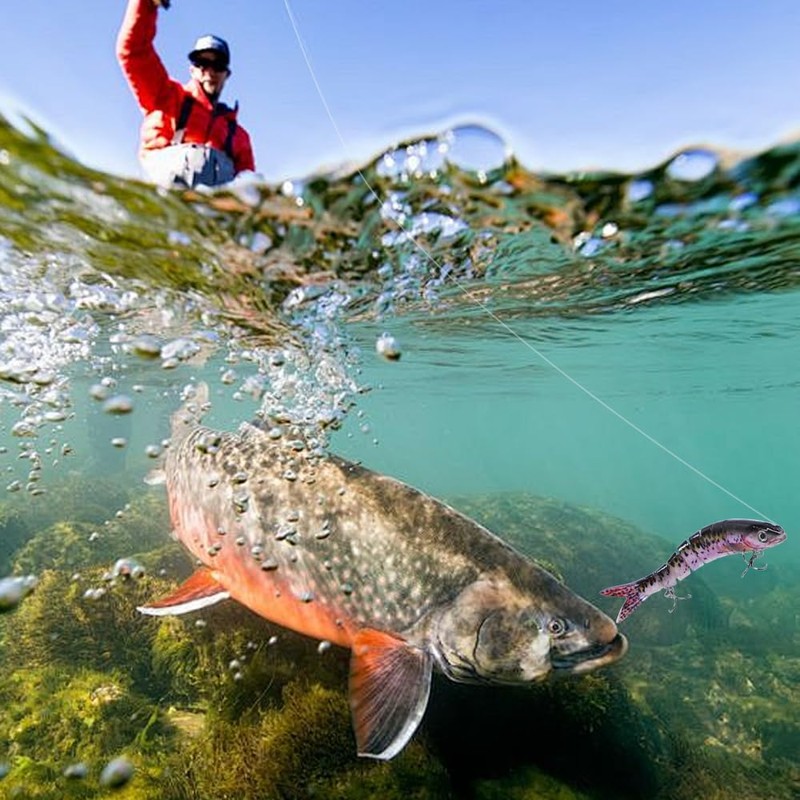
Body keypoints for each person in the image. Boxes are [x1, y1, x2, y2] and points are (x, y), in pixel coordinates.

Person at [116, 0, 255, 189]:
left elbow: (250, 190)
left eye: (218, 65)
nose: (210, 71)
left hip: (209, 207)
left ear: (227, 74)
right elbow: (133, 52)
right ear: (192, 70)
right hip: (159, 198)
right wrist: (146, 4)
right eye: (202, 63)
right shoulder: (165, 96)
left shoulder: (240, 137)